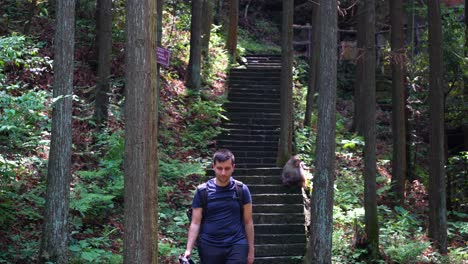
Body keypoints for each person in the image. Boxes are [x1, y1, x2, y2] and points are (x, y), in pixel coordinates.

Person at [183, 149, 255, 264]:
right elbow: (195, 222)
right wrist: (188, 249)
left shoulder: (241, 189)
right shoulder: (202, 191)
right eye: (219, 168)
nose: (223, 173)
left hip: (237, 244)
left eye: (227, 168)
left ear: (233, 167)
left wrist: (251, 250)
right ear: (213, 167)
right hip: (209, 246)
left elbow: (248, 222)